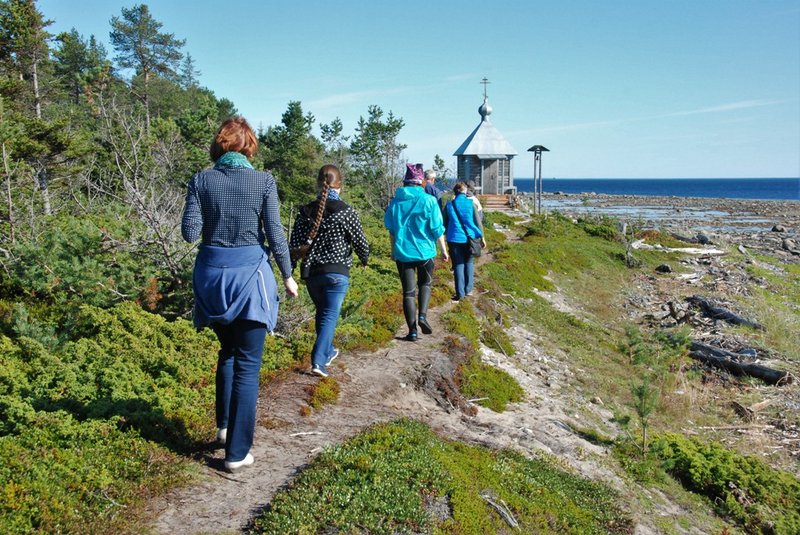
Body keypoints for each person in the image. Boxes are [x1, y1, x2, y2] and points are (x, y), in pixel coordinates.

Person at [181, 116, 299, 474]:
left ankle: (223, 427)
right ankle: (236, 453)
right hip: (250, 277)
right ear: (249, 147)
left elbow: (190, 233)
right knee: (248, 365)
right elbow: (276, 235)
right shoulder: (263, 181)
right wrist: (288, 275)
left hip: (211, 279)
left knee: (228, 351)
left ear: (219, 147)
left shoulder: (201, 180)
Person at [290, 164, 369, 377]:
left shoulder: (305, 211)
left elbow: (294, 245)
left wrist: (289, 273)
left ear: (318, 183)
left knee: (323, 314)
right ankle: (318, 362)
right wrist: (364, 258)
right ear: (340, 185)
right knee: (328, 316)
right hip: (337, 272)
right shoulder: (346, 211)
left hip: (312, 274)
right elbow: (361, 241)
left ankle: (329, 350)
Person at [384, 163, 449, 341]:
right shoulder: (429, 201)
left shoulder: (395, 202)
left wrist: (392, 251)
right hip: (425, 252)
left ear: (405, 182)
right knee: (425, 284)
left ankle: (412, 331)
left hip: (403, 253)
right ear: (421, 183)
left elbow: (391, 229)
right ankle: (423, 316)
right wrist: (444, 251)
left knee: (408, 293)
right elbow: (437, 229)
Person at [444, 181, 486, 301]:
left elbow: (445, 224)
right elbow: (478, 222)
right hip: (470, 238)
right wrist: (482, 237)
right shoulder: (471, 203)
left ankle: (460, 293)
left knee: (458, 264)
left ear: (455, 192)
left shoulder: (449, 205)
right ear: (465, 192)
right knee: (469, 262)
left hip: (454, 239)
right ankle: (468, 289)